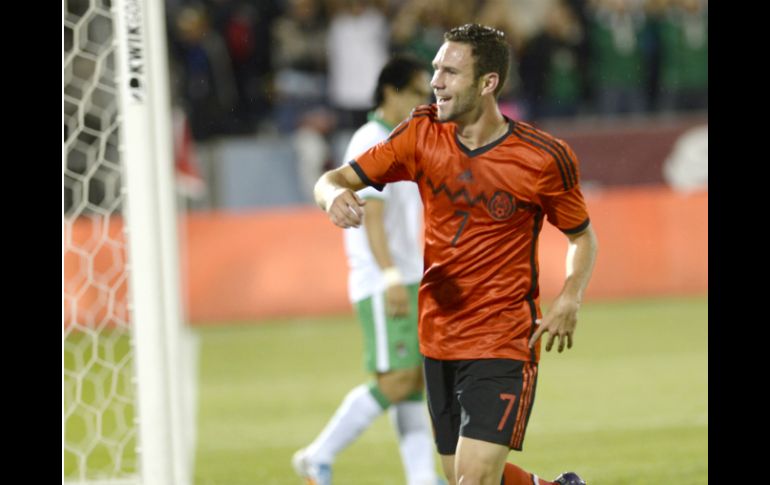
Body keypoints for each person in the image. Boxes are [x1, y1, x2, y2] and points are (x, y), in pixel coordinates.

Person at [313, 24, 598, 485]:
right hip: (439, 335)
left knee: (473, 479)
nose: (436, 82)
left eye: (450, 71)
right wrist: (332, 197)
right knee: (459, 475)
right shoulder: (421, 134)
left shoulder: (542, 157)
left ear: (488, 83)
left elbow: (582, 236)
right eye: (435, 69)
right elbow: (332, 179)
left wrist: (571, 296)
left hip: (503, 337)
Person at [293, 56, 441, 485]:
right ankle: (317, 455)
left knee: (412, 380)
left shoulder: (401, 139)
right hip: (384, 280)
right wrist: (390, 275)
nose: (424, 101)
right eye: (416, 92)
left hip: (406, 275)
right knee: (397, 379)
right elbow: (372, 216)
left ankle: (421, 477)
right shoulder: (370, 140)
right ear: (390, 91)